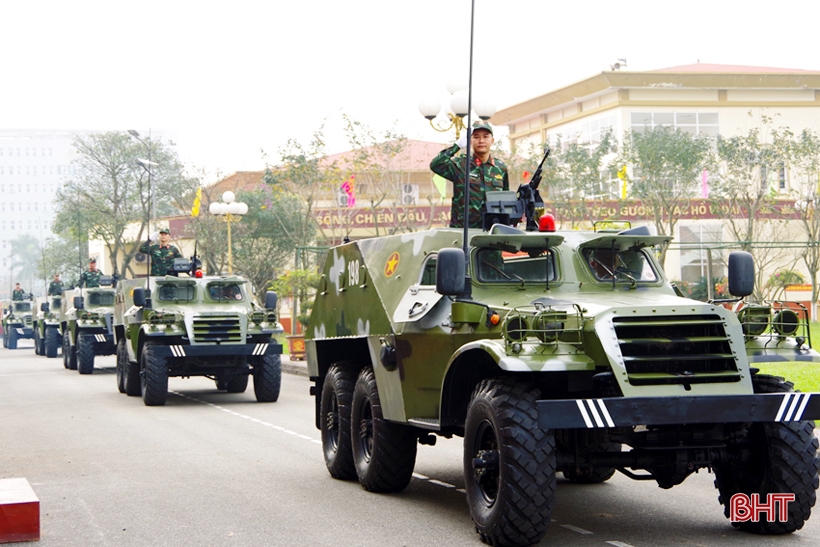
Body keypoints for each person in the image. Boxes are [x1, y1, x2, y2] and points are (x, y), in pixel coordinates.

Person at [430, 121, 509, 229]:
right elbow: (436, 165)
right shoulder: (461, 164)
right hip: (464, 231)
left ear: (492, 141)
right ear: (470, 140)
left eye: (485, 137)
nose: (481, 141)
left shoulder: (500, 168)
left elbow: (506, 198)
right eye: (476, 137)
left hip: (492, 230)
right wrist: (456, 146)